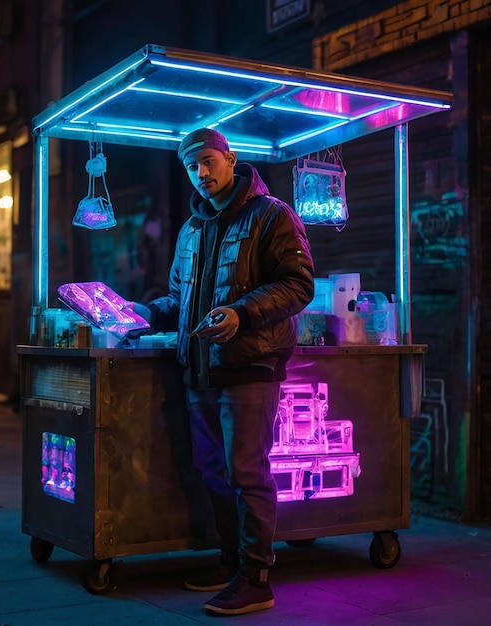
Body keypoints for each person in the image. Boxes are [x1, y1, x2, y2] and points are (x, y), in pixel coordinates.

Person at [134, 128, 314, 615]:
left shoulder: (272, 214)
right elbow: (180, 300)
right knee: (214, 471)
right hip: (199, 369)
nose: (202, 173)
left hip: (248, 365)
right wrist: (143, 314)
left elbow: (298, 285)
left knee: (246, 473)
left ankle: (256, 578)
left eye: (209, 162)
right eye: (192, 167)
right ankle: (231, 562)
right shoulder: (192, 229)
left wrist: (243, 312)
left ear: (230, 159)